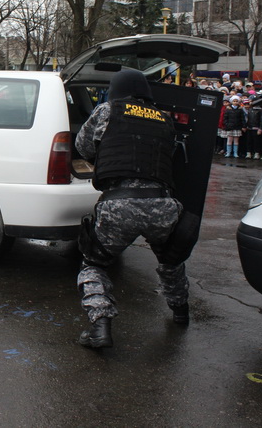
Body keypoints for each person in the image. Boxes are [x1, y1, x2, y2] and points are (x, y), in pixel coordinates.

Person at [74, 69, 185, 349]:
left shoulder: (107, 110)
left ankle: (100, 326)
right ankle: (181, 311)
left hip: (119, 204)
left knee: (94, 264)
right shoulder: (163, 117)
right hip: (163, 204)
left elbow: (83, 146)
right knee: (170, 260)